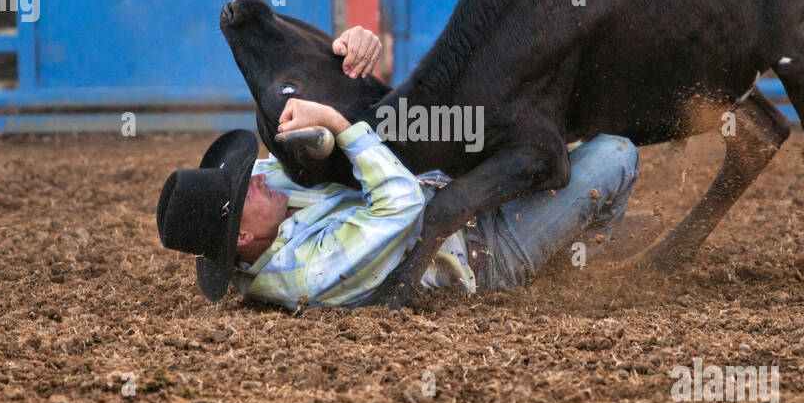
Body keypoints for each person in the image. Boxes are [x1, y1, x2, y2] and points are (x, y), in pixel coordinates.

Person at [156, 29, 641, 310]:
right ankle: (572, 268)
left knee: (553, 132)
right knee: (616, 152)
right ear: (241, 238)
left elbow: (286, 156)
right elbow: (402, 208)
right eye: (247, 190)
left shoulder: (263, 219)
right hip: (483, 250)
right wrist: (338, 122)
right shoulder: (304, 275)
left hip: (453, 191)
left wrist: (345, 52)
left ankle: (570, 235)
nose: (259, 176)